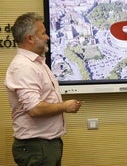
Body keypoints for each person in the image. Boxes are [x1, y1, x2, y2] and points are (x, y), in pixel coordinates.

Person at [4, 12, 82, 166]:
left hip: (44, 146)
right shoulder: (23, 67)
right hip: (37, 147)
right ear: (30, 38)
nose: (48, 37)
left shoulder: (36, 63)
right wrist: (64, 106)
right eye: (43, 33)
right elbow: (35, 109)